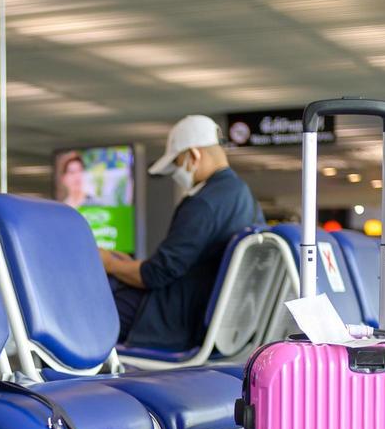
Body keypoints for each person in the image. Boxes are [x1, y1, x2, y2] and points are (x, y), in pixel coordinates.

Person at [99, 115, 264, 351]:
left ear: (194, 155)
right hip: (212, 319)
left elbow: (156, 274)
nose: (177, 171)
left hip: (173, 321)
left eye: (177, 162)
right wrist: (131, 265)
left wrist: (109, 264)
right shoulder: (242, 195)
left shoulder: (203, 203)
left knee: (90, 307)